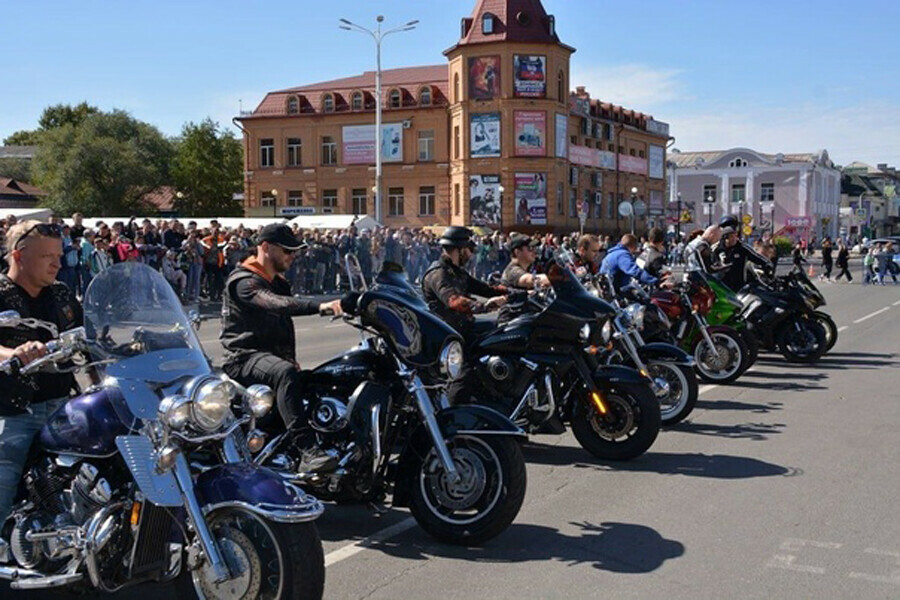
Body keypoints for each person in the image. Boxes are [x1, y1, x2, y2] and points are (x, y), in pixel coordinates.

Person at [220, 223, 343, 472]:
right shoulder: (243, 281)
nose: (293, 256)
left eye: (294, 251)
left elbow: (282, 327)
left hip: (270, 357)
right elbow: (276, 304)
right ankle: (307, 451)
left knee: (325, 377)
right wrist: (319, 306)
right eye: (287, 250)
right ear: (266, 247)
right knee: (284, 373)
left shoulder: (277, 281)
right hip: (243, 358)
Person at [0, 221, 84, 532]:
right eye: (47, 256)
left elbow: (89, 335)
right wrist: (13, 354)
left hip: (64, 405)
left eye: (59, 255)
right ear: (19, 256)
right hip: (15, 409)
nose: (57, 263)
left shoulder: (61, 294)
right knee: (3, 482)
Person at [422, 226, 509, 405]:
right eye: (469, 249)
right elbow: (454, 301)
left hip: (464, 327)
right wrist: (485, 306)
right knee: (464, 373)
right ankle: (453, 415)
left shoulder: (456, 271)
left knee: (504, 332)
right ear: (460, 249)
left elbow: (484, 288)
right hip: (449, 336)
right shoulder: (439, 274)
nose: (471, 254)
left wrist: (515, 292)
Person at [497, 234, 549, 325]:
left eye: (534, 248)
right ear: (517, 252)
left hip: (525, 318)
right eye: (530, 248)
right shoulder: (512, 270)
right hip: (511, 322)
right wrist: (558, 277)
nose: (534, 252)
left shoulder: (527, 268)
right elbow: (528, 280)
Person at [712, 217, 773, 292]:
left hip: (739, 286)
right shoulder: (717, 249)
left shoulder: (742, 247)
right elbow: (710, 265)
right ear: (725, 238)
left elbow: (756, 257)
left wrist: (768, 265)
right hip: (722, 286)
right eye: (731, 237)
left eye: (735, 235)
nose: (734, 239)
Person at [600, 233, 668, 296]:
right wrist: (655, 281)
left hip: (609, 289)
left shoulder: (613, 253)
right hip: (613, 292)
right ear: (633, 246)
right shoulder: (622, 255)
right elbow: (634, 270)